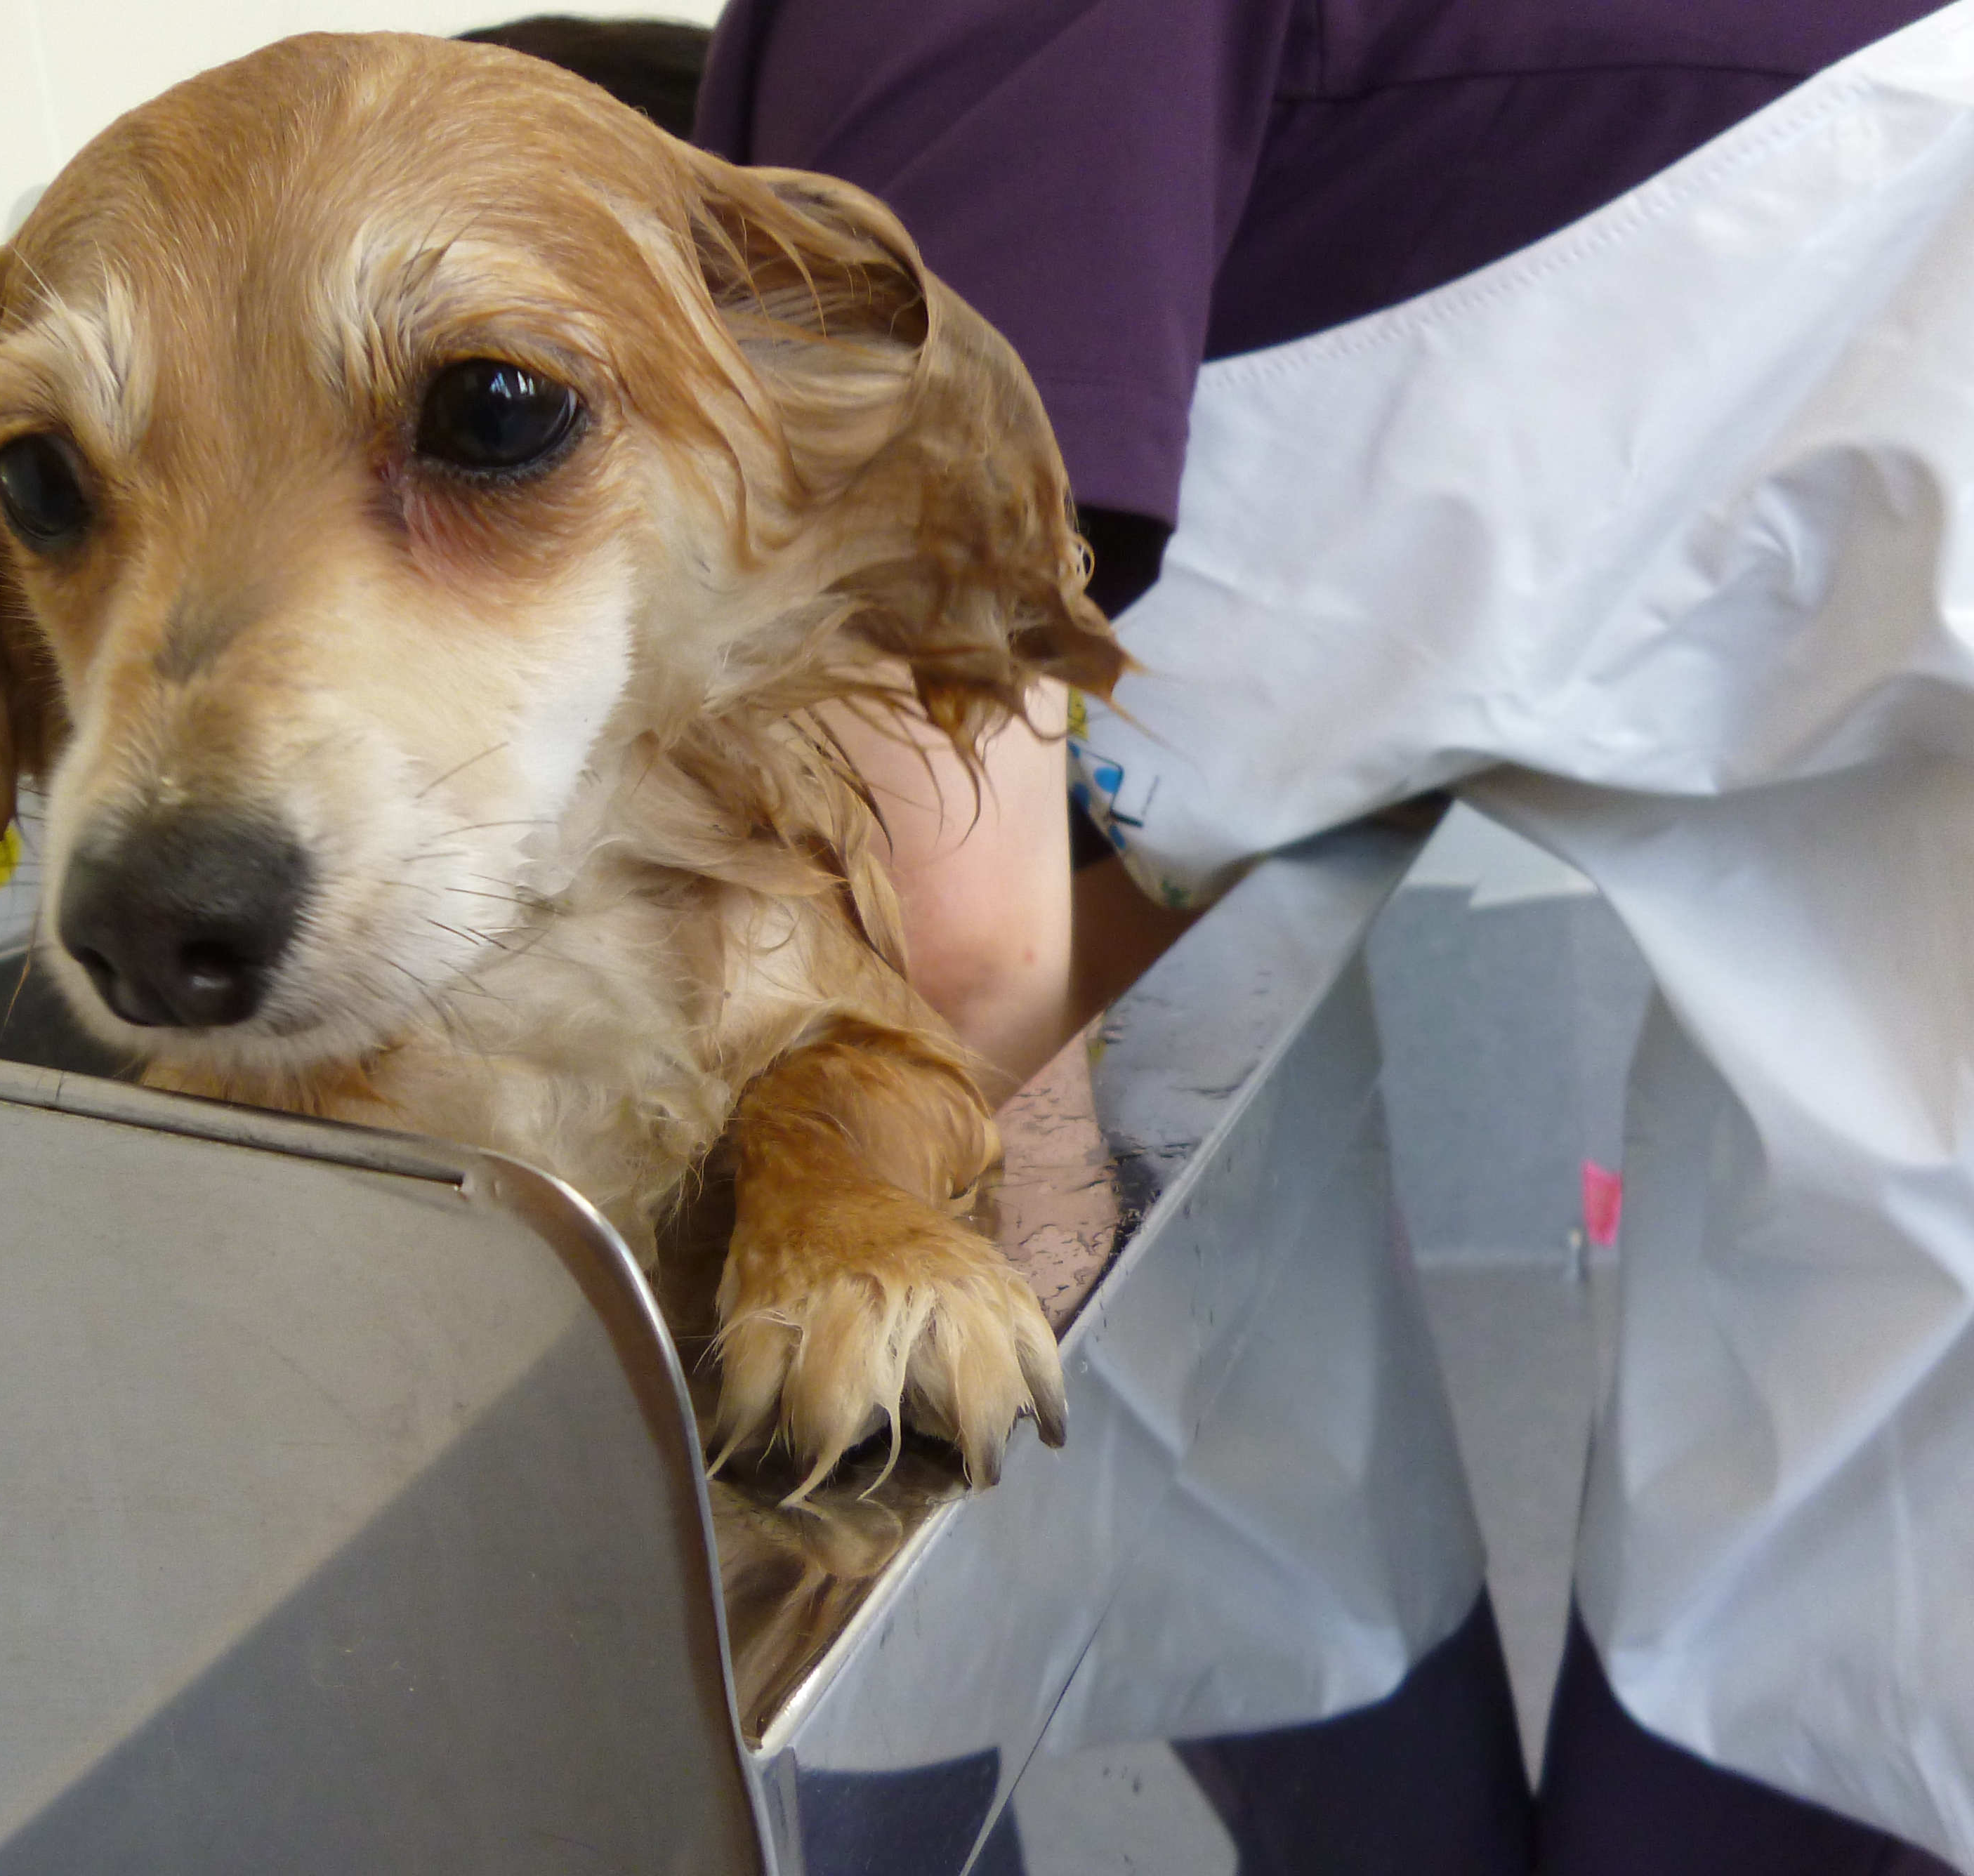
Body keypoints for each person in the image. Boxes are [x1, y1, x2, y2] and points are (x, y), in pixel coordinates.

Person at [690, 4, 1974, 1873]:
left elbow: (957, 955)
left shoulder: (902, 112)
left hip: (1890, 450)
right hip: (1775, 536)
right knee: (1786, 1520)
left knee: (1855, 1563)